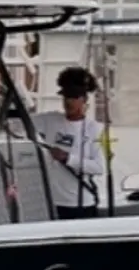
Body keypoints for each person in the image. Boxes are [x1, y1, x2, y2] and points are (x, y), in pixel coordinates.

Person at [31, 67, 108, 218]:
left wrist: (68, 158)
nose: (68, 101)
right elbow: (19, 124)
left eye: (73, 97)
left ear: (84, 100)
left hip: (80, 204)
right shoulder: (50, 120)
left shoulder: (96, 129)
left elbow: (99, 167)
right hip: (51, 201)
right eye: (65, 97)